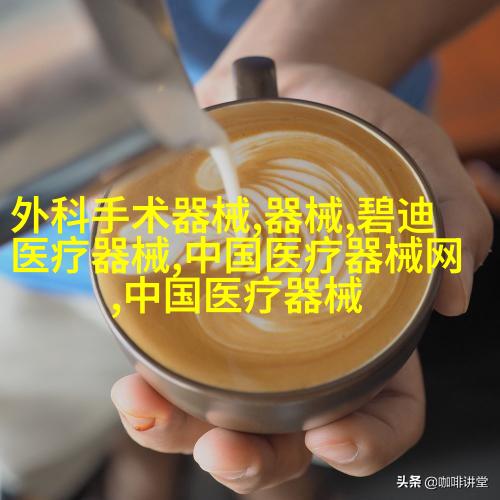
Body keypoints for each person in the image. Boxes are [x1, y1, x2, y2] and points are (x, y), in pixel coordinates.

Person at [0, 1, 497, 499]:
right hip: (40, 240)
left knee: (261, 446)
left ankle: (252, 465)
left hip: (346, 127)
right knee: (128, 402)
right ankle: (141, 450)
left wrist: (308, 56)